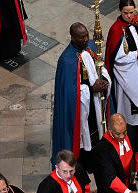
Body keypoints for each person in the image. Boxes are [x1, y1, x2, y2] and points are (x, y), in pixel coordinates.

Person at [52, 22, 111, 171]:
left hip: (95, 104)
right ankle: (85, 164)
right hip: (81, 108)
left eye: (86, 36)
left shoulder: (91, 45)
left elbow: (100, 65)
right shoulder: (66, 60)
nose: (85, 39)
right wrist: (91, 89)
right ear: (72, 37)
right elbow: (69, 93)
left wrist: (104, 79)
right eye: (81, 37)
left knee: (97, 130)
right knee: (83, 137)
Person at [105, 0, 138, 129]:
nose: (129, 16)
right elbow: (116, 58)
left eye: (131, 12)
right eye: (125, 13)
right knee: (130, 112)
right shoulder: (115, 30)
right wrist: (135, 55)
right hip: (127, 74)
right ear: (120, 11)